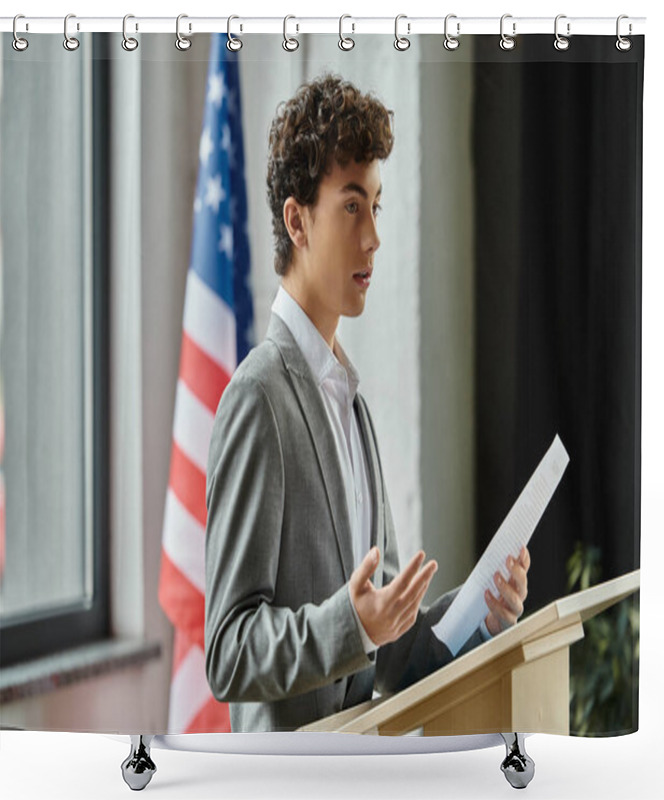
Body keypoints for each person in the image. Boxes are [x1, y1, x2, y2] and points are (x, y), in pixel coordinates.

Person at [204, 74, 532, 732]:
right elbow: (228, 651)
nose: (374, 236)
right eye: (353, 206)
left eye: (378, 207)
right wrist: (348, 623)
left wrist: (480, 612)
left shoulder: (352, 405)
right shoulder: (257, 397)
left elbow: (392, 651)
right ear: (297, 220)